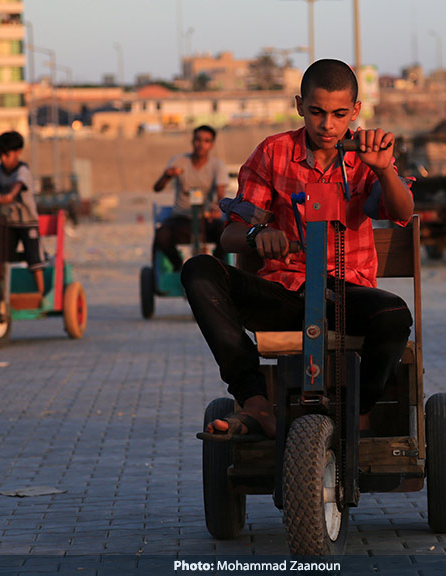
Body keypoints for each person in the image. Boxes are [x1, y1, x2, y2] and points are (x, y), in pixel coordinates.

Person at [183, 59, 414, 441]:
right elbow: (231, 235)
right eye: (317, 112)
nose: (327, 125)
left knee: (394, 315)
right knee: (198, 270)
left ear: (355, 111)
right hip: (286, 294)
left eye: (339, 114)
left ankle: (359, 414)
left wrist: (384, 170)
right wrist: (258, 235)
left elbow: (401, 211)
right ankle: (255, 402)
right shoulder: (273, 153)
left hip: (345, 295)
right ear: (299, 106)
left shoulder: (365, 156)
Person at [152, 125, 229, 271]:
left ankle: (218, 269)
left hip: (206, 219)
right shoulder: (179, 160)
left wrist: (216, 209)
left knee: (225, 234)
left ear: (211, 144)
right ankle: (178, 267)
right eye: (198, 140)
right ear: (192, 141)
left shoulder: (216, 165)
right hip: (182, 220)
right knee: (162, 235)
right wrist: (167, 175)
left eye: (206, 141)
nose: (201, 144)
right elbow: (157, 188)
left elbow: (221, 194)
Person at [0, 130, 44, 298]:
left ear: (18, 152)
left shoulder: (22, 170)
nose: (4, 159)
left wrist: (10, 196)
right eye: (1, 156)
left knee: (34, 258)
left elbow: (18, 185)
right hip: (8, 222)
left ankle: (40, 293)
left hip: (27, 222)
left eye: (7, 155)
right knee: (1, 254)